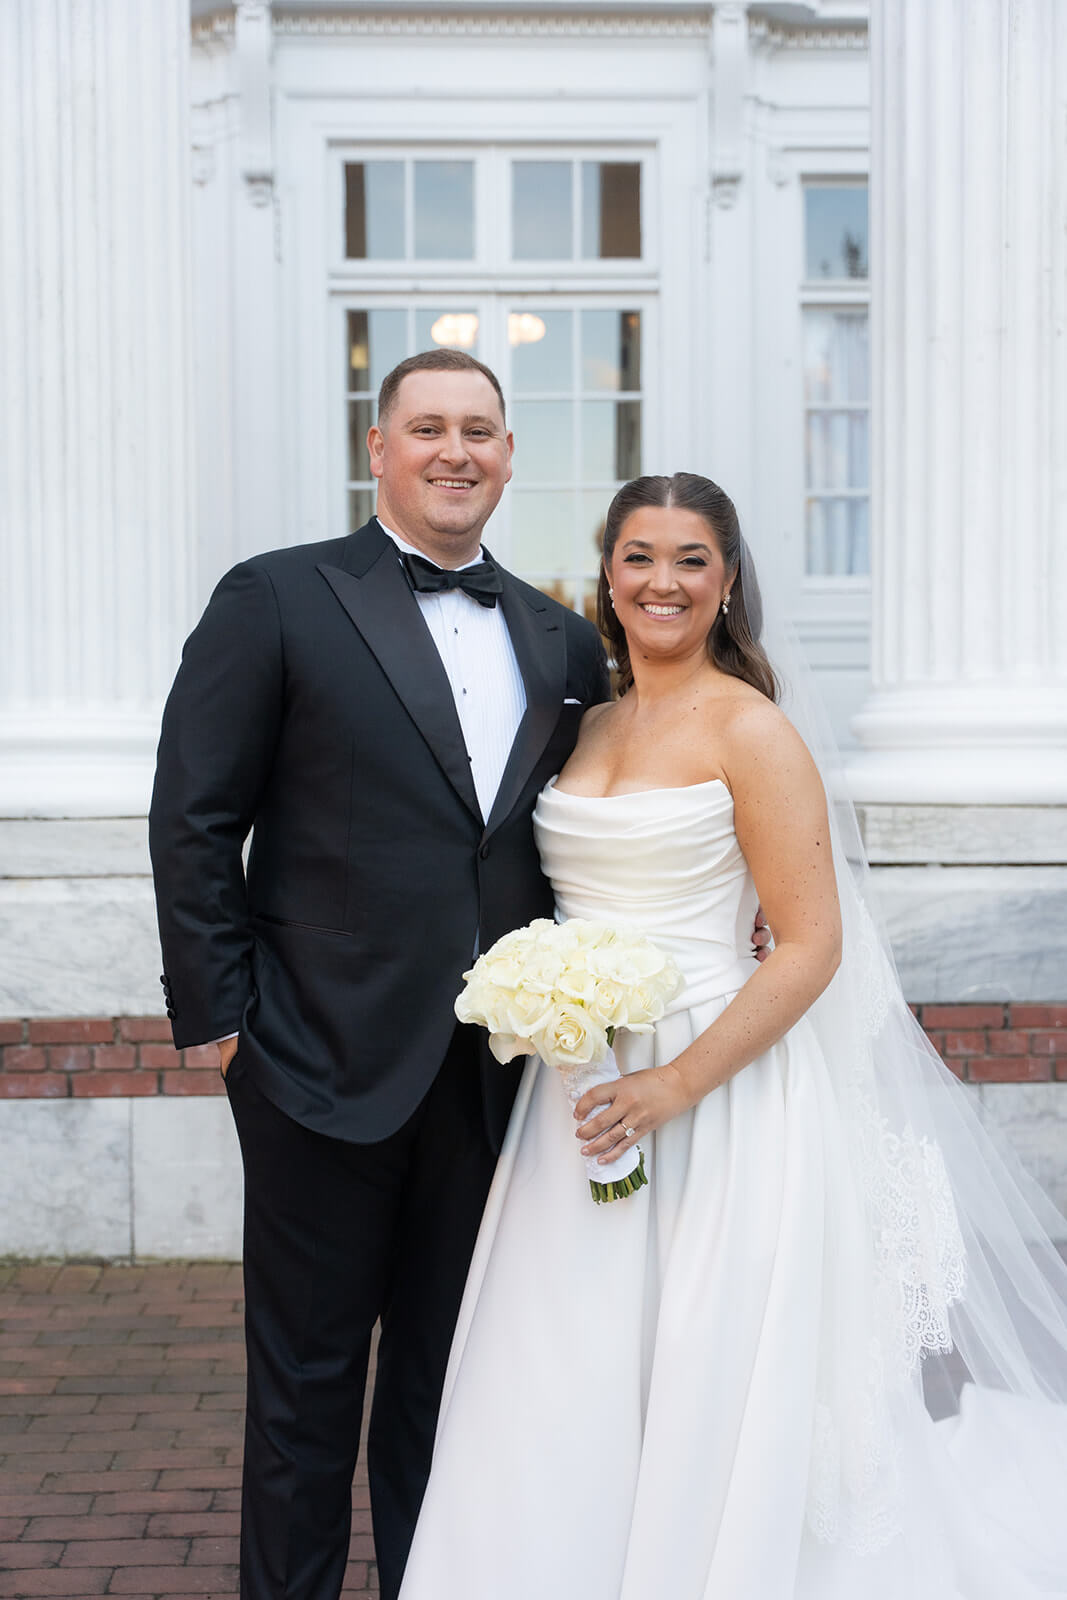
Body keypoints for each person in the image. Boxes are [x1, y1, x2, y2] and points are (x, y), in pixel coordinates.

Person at [399, 473, 1067, 1600]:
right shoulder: (583, 723)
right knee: (559, 1361)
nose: (662, 581)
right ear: (605, 576)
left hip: (719, 1089)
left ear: (724, 582)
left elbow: (809, 944)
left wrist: (673, 1083)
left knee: (705, 1359)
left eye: (690, 560)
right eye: (640, 556)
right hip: (579, 1084)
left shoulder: (752, 730)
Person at [148, 349, 617, 1600]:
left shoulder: (566, 637)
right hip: (314, 1065)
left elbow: (593, 832)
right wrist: (226, 1026)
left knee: (452, 1392)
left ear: (511, 455)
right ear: (378, 448)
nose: (454, 450)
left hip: (494, 1087)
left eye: (479, 429)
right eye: (427, 427)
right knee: (304, 1399)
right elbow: (195, 814)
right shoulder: (278, 597)